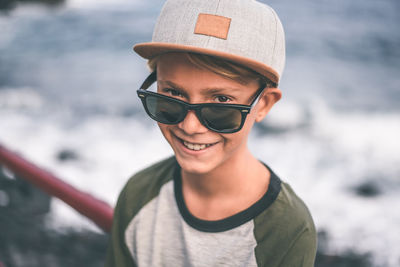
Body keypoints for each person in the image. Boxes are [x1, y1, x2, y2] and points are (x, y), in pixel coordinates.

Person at [105, 0, 317, 266]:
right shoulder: (138, 195)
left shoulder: (287, 229)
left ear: (263, 104)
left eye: (221, 103)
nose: (191, 126)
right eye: (171, 94)